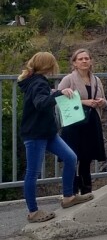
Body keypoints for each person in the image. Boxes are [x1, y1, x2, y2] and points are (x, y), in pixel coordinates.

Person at [18, 51, 87, 223]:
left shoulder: (37, 81)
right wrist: (57, 94)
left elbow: (42, 97)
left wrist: (55, 91)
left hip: (48, 132)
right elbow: (41, 103)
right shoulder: (38, 83)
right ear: (49, 65)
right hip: (35, 134)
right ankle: (33, 211)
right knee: (32, 173)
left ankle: (68, 197)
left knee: (71, 158)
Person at [58, 48, 107, 198]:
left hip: (91, 121)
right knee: (73, 156)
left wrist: (100, 102)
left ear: (91, 61)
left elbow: (104, 100)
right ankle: (71, 191)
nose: (84, 61)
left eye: (87, 58)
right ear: (74, 63)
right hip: (74, 123)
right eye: (80, 59)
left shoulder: (96, 80)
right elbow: (59, 99)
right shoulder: (69, 79)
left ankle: (86, 189)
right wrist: (84, 102)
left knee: (87, 157)